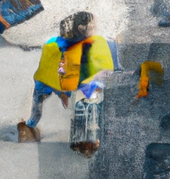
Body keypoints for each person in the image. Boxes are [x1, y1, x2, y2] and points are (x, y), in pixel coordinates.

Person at [17, 11, 114, 150]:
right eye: (92, 27)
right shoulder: (67, 46)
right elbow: (62, 74)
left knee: (39, 106)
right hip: (54, 82)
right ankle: (30, 127)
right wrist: (65, 93)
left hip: (54, 82)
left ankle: (31, 125)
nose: (95, 29)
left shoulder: (58, 43)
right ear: (82, 28)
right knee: (42, 102)